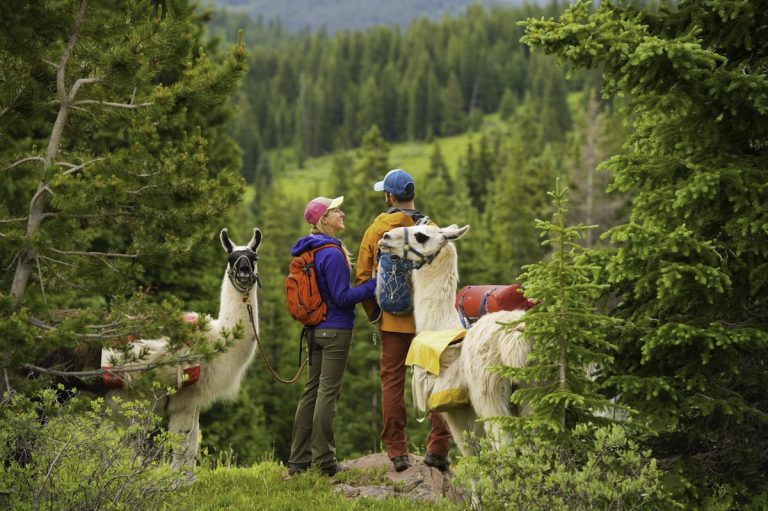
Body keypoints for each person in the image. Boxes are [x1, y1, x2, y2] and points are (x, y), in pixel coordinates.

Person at [355, 169, 452, 473]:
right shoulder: (430, 228)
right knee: (434, 378)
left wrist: (375, 314)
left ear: (390, 197)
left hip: (392, 322)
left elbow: (361, 276)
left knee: (392, 381)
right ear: (411, 195)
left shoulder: (377, 230)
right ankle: (438, 448)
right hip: (428, 324)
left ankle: (398, 450)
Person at [288, 196, 376, 477]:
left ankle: (299, 460)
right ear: (323, 219)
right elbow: (342, 297)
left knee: (311, 392)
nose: (342, 213)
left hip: (315, 330)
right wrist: (374, 285)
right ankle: (325, 461)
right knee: (327, 394)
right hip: (336, 330)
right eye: (336, 210)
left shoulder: (311, 250)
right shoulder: (332, 253)